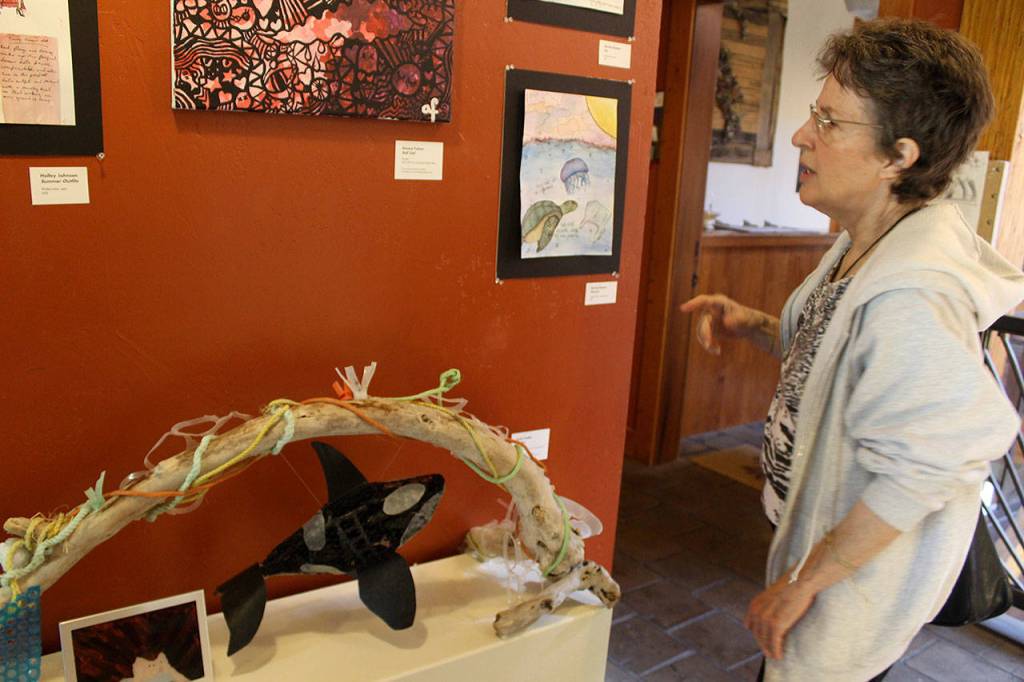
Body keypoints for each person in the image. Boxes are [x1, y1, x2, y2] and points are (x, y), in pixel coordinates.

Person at [681, 18, 1024, 681]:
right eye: (814, 113)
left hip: (847, 585)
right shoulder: (865, 237)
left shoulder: (910, 295)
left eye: (831, 123)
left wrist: (807, 582)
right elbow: (832, 356)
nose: (802, 135)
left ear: (901, 155)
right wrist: (749, 321)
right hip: (816, 554)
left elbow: (936, 458)